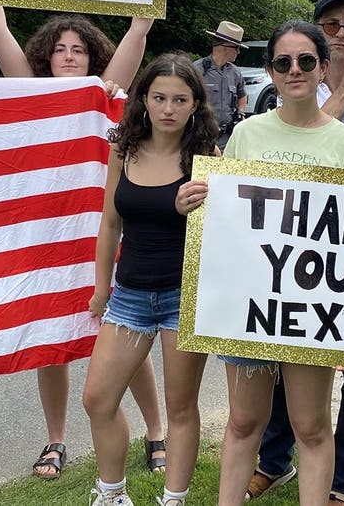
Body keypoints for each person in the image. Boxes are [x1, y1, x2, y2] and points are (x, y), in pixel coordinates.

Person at [0, 0, 178, 479]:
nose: (71, 56)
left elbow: (139, 34)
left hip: (100, 234)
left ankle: (156, 432)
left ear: (94, 56)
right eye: (60, 49)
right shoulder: (27, 94)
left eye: (80, 49)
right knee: (50, 340)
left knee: (128, 337)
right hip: (45, 237)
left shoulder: (105, 94)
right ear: (44, 58)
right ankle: (55, 441)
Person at [182, 20, 344, 506]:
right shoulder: (245, 135)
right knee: (244, 421)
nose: (295, 70)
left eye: (306, 61)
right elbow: (225, 218)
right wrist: (194, 201)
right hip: (250, 306)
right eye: (284, 62)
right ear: (269, 71)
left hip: (312, 311)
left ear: (323, 68)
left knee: (310, 427)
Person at [245, 0, 344, 505]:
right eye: (329, 25)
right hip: (297, 235)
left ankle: (340, 481)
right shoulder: (301, 84)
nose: (340, 33)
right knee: (290, 350)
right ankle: (275, 461)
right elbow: (316, 131)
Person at [82, 54, 220, 506]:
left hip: (186, 293)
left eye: (180, 99)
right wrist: (102, 288)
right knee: (97, 400)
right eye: (159, 97)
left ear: (195, 104)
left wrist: (194, 210)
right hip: (130, 295)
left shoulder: (205, 155)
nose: (168, 108)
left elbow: (231, 227)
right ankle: (112, 494)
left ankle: (174, 498)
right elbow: (109, 223)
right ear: (143, 98)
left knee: (181, 407)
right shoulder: (124, 147)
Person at [193, 21, 250, 149]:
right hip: (202, 136)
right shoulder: (198, 70)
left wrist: (240, 114)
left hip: (226, 137)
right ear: (226, 47)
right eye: (237, 48)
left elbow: (242, 95)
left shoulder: (235, 72)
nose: (239, 52)